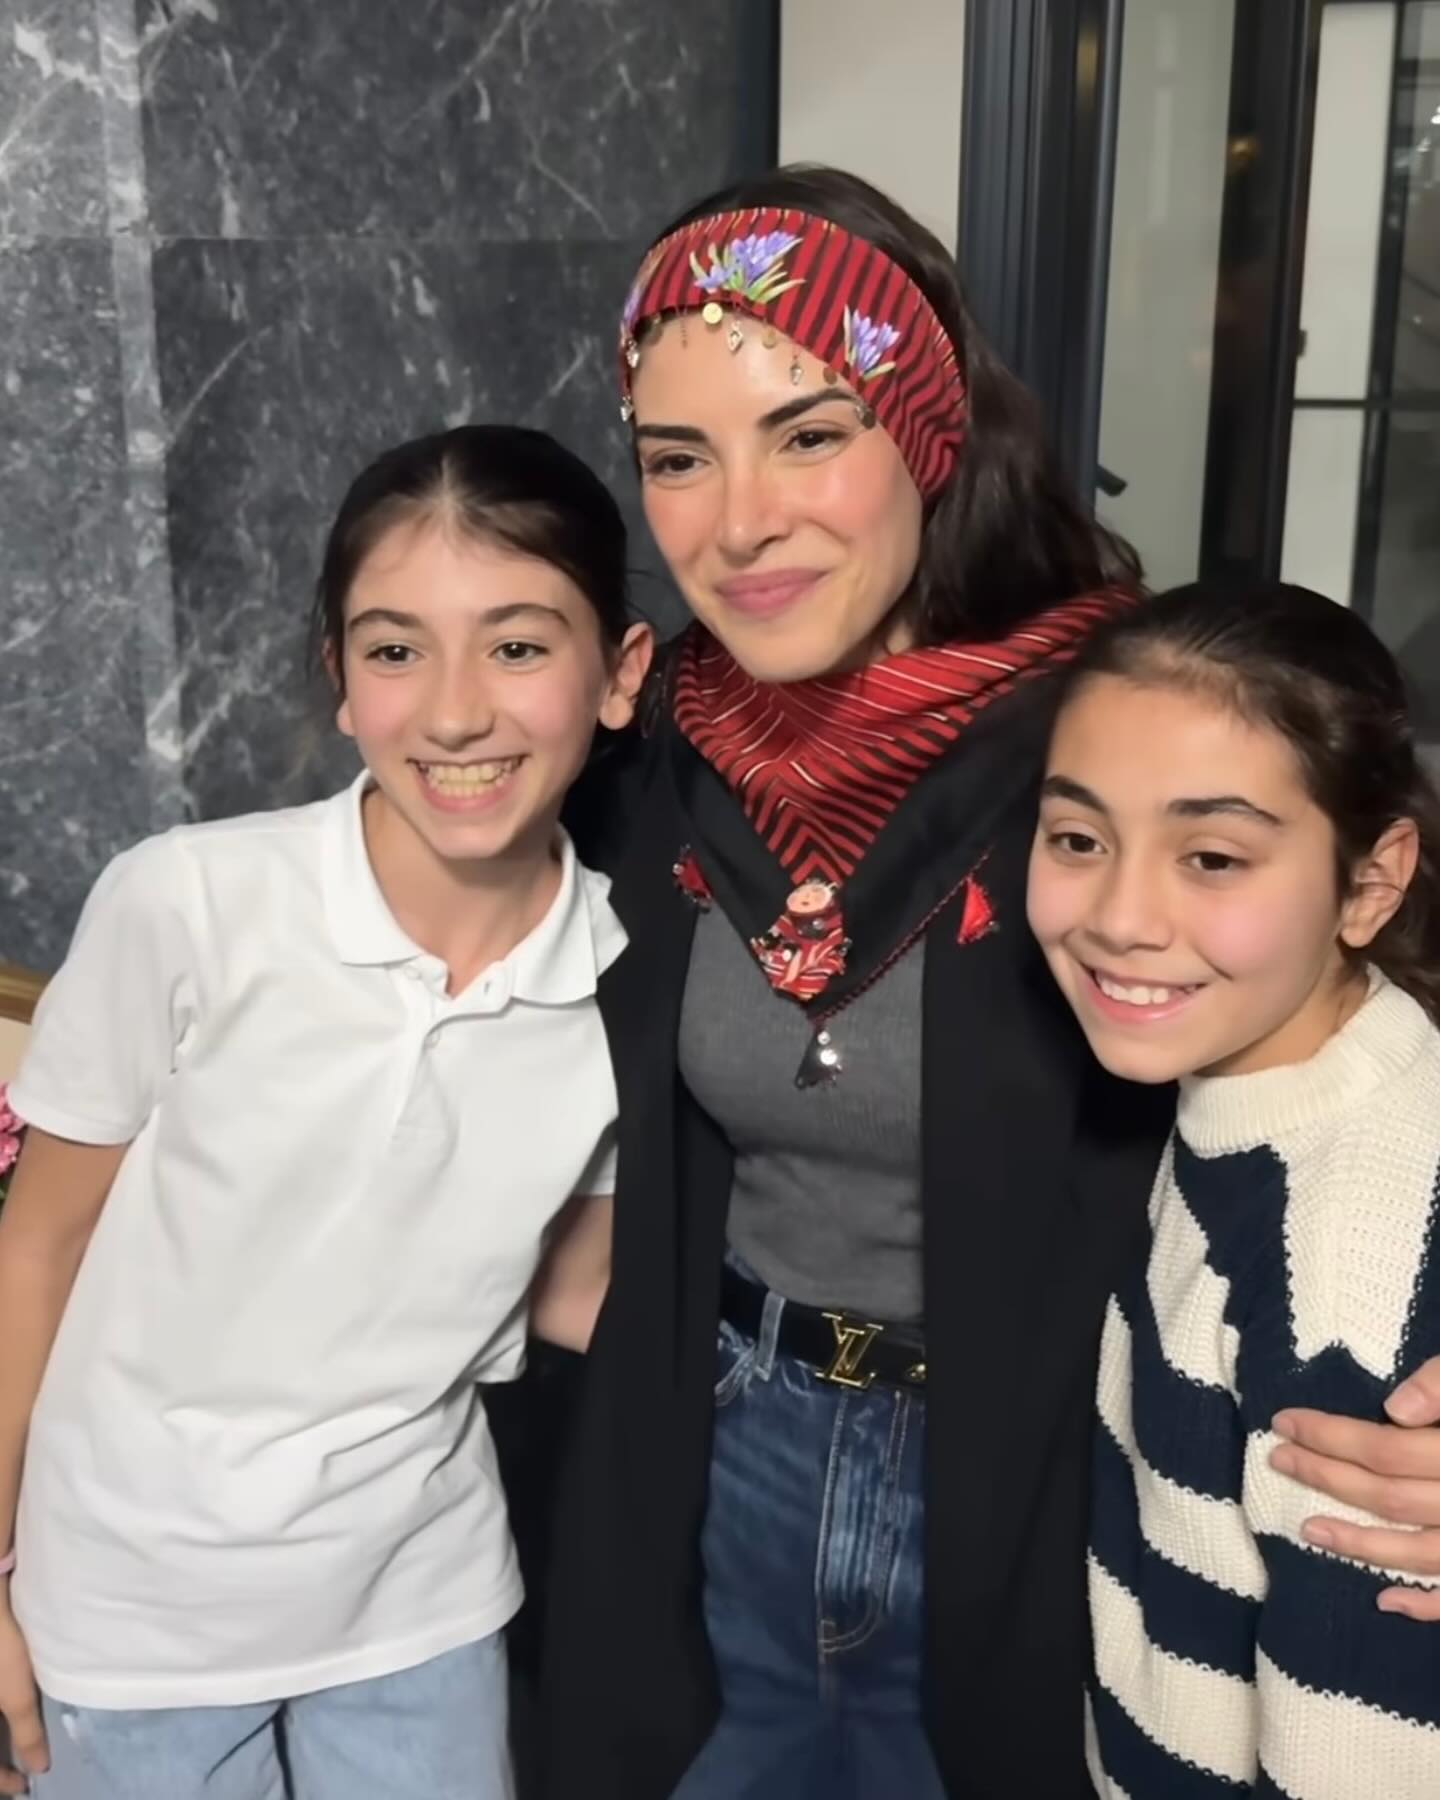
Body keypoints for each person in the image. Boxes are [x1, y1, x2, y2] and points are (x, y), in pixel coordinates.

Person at [539, 166, 1440, 1800]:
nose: (737, 524)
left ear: (928, 432)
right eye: (678, 458)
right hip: (722, 1446)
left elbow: (1365, 1010)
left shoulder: (1117, 734)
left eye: (809, 434)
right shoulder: (665, 745)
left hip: (1045, 1476)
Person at [0, 425, 651, 1800]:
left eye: (518, 646)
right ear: (340, 681)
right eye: (396, 648)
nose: (455, 713)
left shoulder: (627, 973)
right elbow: (36, 1247)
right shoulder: (186, 904)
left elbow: (577, 1286)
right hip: (131, 1618)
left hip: (422, 1606)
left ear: (619, 675)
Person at [1028, 582, 1440, 1798]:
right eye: (1078, 839)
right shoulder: (1243, 1095)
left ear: (1371, 884)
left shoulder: (1348, 1270)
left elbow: (1358, 1750)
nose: (1121, 918)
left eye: (1212, 857)